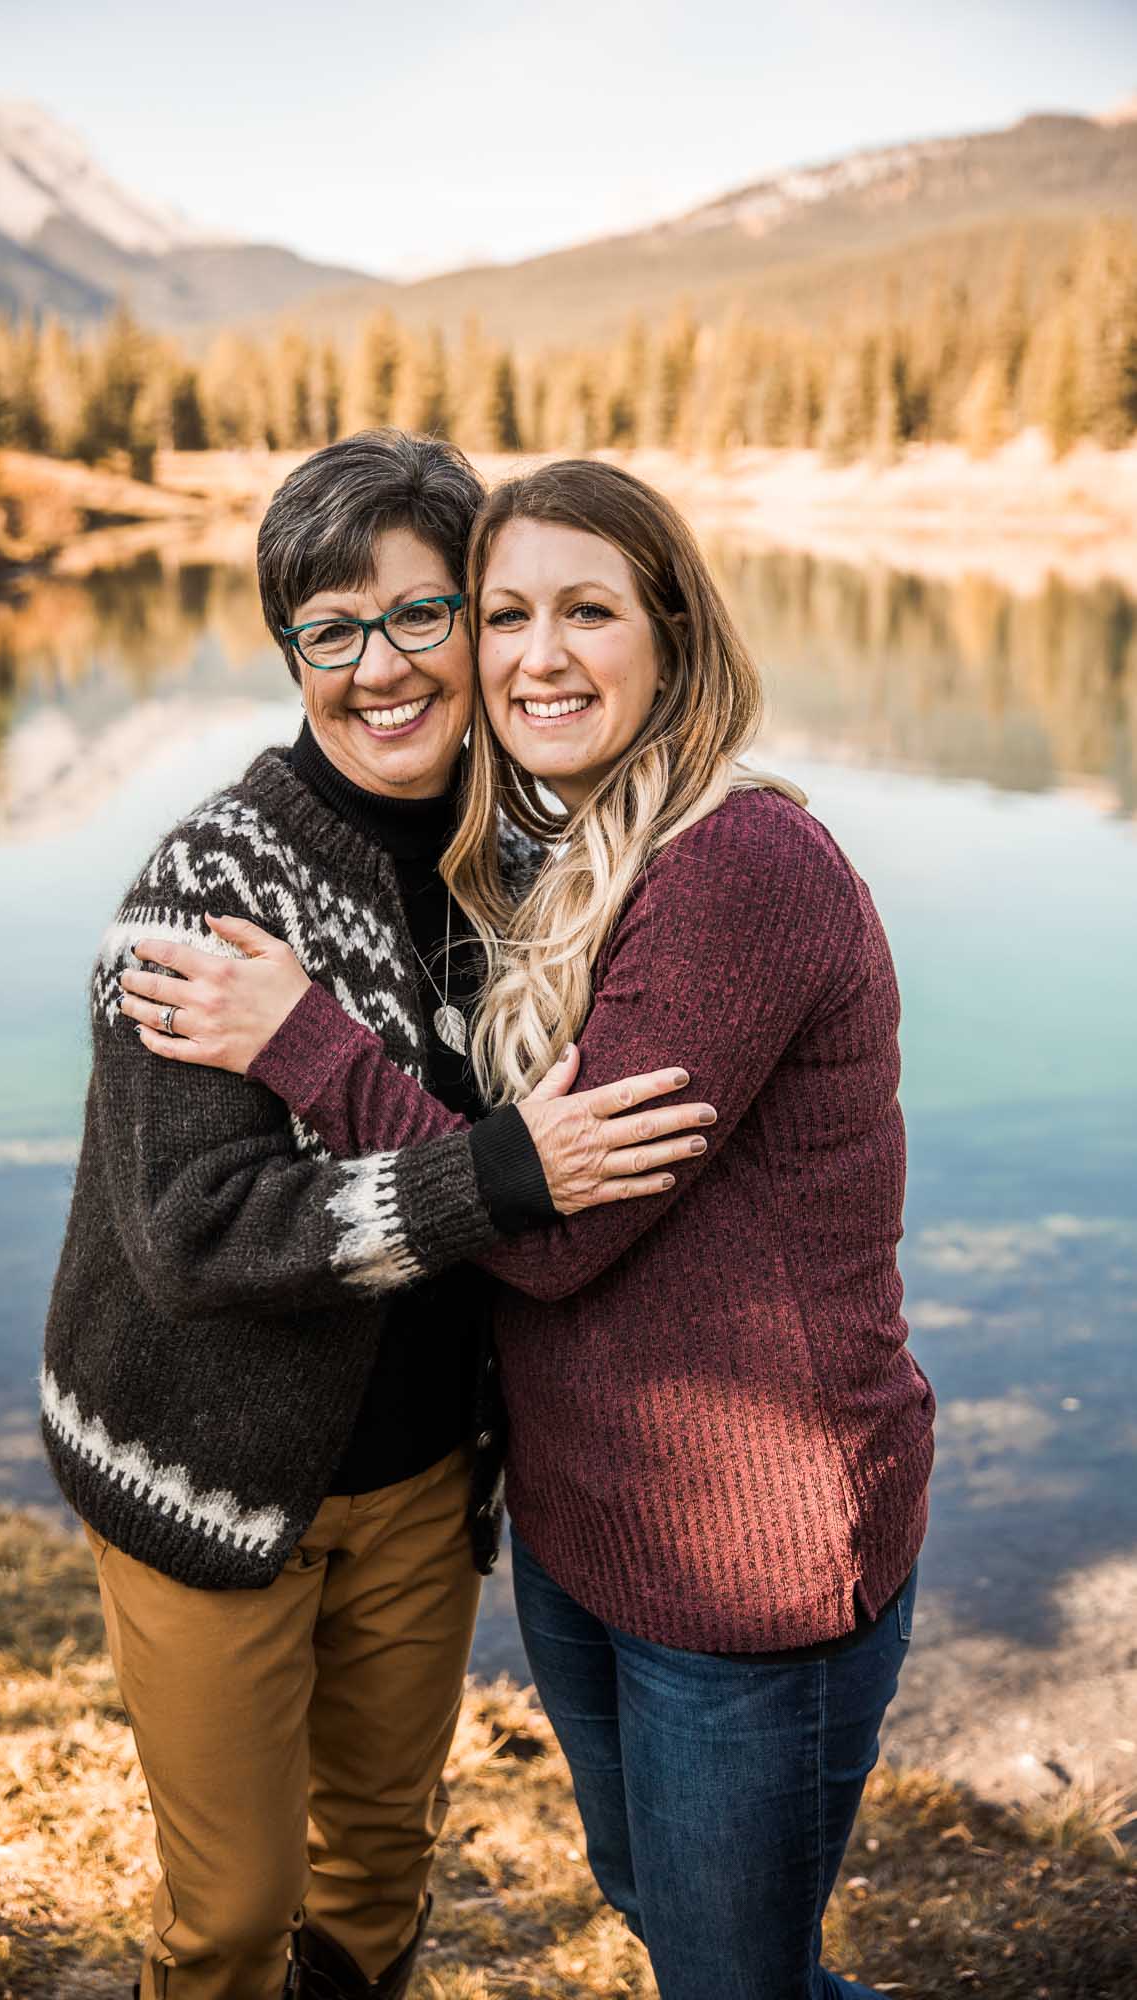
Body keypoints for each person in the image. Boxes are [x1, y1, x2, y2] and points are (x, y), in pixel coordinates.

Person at [130, 459, 937, 2000]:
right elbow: (235, 1216)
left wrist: (307, 1039)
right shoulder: (554, 861)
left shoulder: (735, 869)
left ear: (675, 636)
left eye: (584, 610)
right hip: (590, 1526)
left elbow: (556, 1230)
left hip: (746, 1551)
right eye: (503, 614)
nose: (532, 655)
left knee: (723, 1973)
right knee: (655, 1906)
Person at [43, 432, 713, 2000]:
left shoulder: (535, 861)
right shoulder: (206, 885)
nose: (383, 668)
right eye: (331, 631)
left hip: (423, 1475)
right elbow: (192, 1234)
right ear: (290, 652)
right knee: (230, 1914)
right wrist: (495, 1173)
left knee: (378, 1868)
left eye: (422, 616)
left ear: (481, 623)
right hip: (205, 1472)